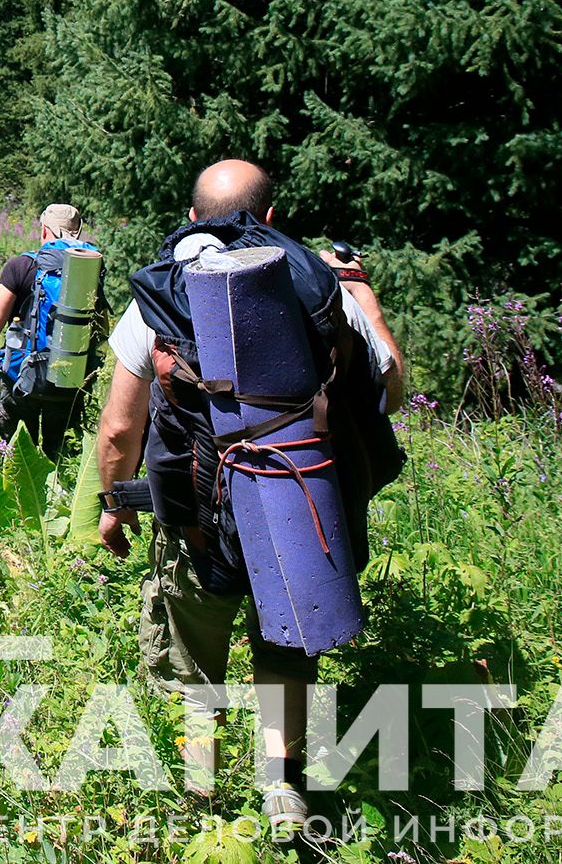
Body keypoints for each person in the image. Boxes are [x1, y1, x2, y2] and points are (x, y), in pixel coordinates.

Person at [90, 160, 404, 832]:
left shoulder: (163, 297)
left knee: (195, 650)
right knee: (284, 646)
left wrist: (115, 505)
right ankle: (281, 785)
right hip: (298, 508)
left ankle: (201, 783)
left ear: (192, 216)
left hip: (198, 517)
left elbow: (119, 425)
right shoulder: (318, 288)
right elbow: (390, 390)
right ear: (270, 219)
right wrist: (363, 293)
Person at [0, 203, 99, 457]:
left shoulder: (21, 266)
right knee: (60, 453)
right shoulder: (89, 269)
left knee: (18, 455)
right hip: (71, 378)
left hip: (22, 377)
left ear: (44, 229)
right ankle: (59, 492)